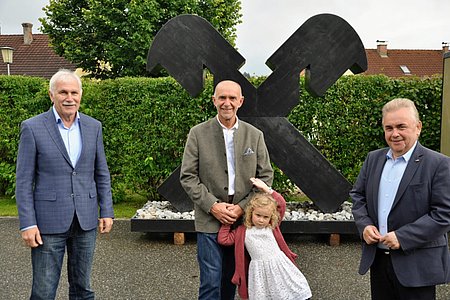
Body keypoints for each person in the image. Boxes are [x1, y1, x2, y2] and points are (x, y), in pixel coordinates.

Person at [15, 69, 114, 299]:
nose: (69, 97)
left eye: (74, 92)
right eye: (63, 92)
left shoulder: (93, 127)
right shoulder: (32, 127)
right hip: (48, 223)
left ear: (80, 95)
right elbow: (23, 181)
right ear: (51, 95)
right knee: (43, 291)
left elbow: (101, 173)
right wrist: (27, 223)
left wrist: (107, 210)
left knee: (83, 289)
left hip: (85, 221)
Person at [180, 80, 273, 299]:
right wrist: (212, 206)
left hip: (242, 220)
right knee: (210, 282)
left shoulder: (255, 135)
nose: (227, 103)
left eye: (232, 98)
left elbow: (265, 176)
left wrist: (242, 208)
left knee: (232, 279)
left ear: (241, 101)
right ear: (214, 100)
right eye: (222, 98)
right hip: (209, 218)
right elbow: (188, 176)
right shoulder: (197, 134)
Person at [351, 98, 450, 300]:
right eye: (389, 128)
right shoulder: (373, 159)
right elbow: (358, 195)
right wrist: (365, 225)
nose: (394, 133)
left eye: (401, 126)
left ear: (418, 127)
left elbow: (444, 214)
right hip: (378, 261)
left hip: (417, 264)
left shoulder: (438, 164)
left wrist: (403, 237)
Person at [218, 177, 312, 300]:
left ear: (271, 217)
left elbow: (281, 204)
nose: (261, 220)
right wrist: (229, 219)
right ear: (250, 213)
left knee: (289, 290)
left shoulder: (272, 226)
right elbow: (223, 239)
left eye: (265, 217)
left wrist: (267, 189)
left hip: (279, 266)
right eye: (258, 215)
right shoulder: (242, 231)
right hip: (259, 272)